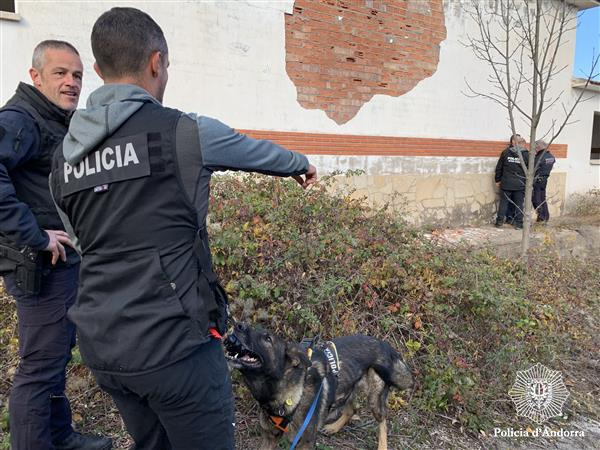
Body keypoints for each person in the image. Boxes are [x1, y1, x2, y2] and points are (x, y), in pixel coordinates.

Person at [49, 7, 317, 450]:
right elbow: (253, 151)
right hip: (175, 349)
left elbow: (81, 241)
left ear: (97, 70)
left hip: (104, 347)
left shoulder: (63, 158)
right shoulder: (183, 132)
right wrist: (300, 164)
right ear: (157, 62)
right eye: (166, 65)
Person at [0, 41, 112, 450]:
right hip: (39, 263)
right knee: (40, 368)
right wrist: (34, 234)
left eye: (77, 75)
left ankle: (59, 436)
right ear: (36, 76)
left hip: (60, 264)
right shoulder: (20, 119)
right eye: (60, 73)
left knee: (55, 356)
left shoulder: (54, 120)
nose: (71, 82)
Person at [494, 134, 528, 229]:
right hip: (519, 184)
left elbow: (499, 167)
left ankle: (499, 222)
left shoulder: (506, 152)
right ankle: (519, 224)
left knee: (503, 203)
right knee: (519, 204)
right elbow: (530, 171)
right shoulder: (526, 154)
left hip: (506, 183)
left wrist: (497, 179)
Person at [532, 140, 555, 223]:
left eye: (535, 147)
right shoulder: (550, 156)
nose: (534, 149)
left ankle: (541, 217)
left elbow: (533, 168)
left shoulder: (539, 157)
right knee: (542, 198)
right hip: (544, 179)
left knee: (535, 199)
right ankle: (546, 216)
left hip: (537, 180)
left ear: (538, 147)